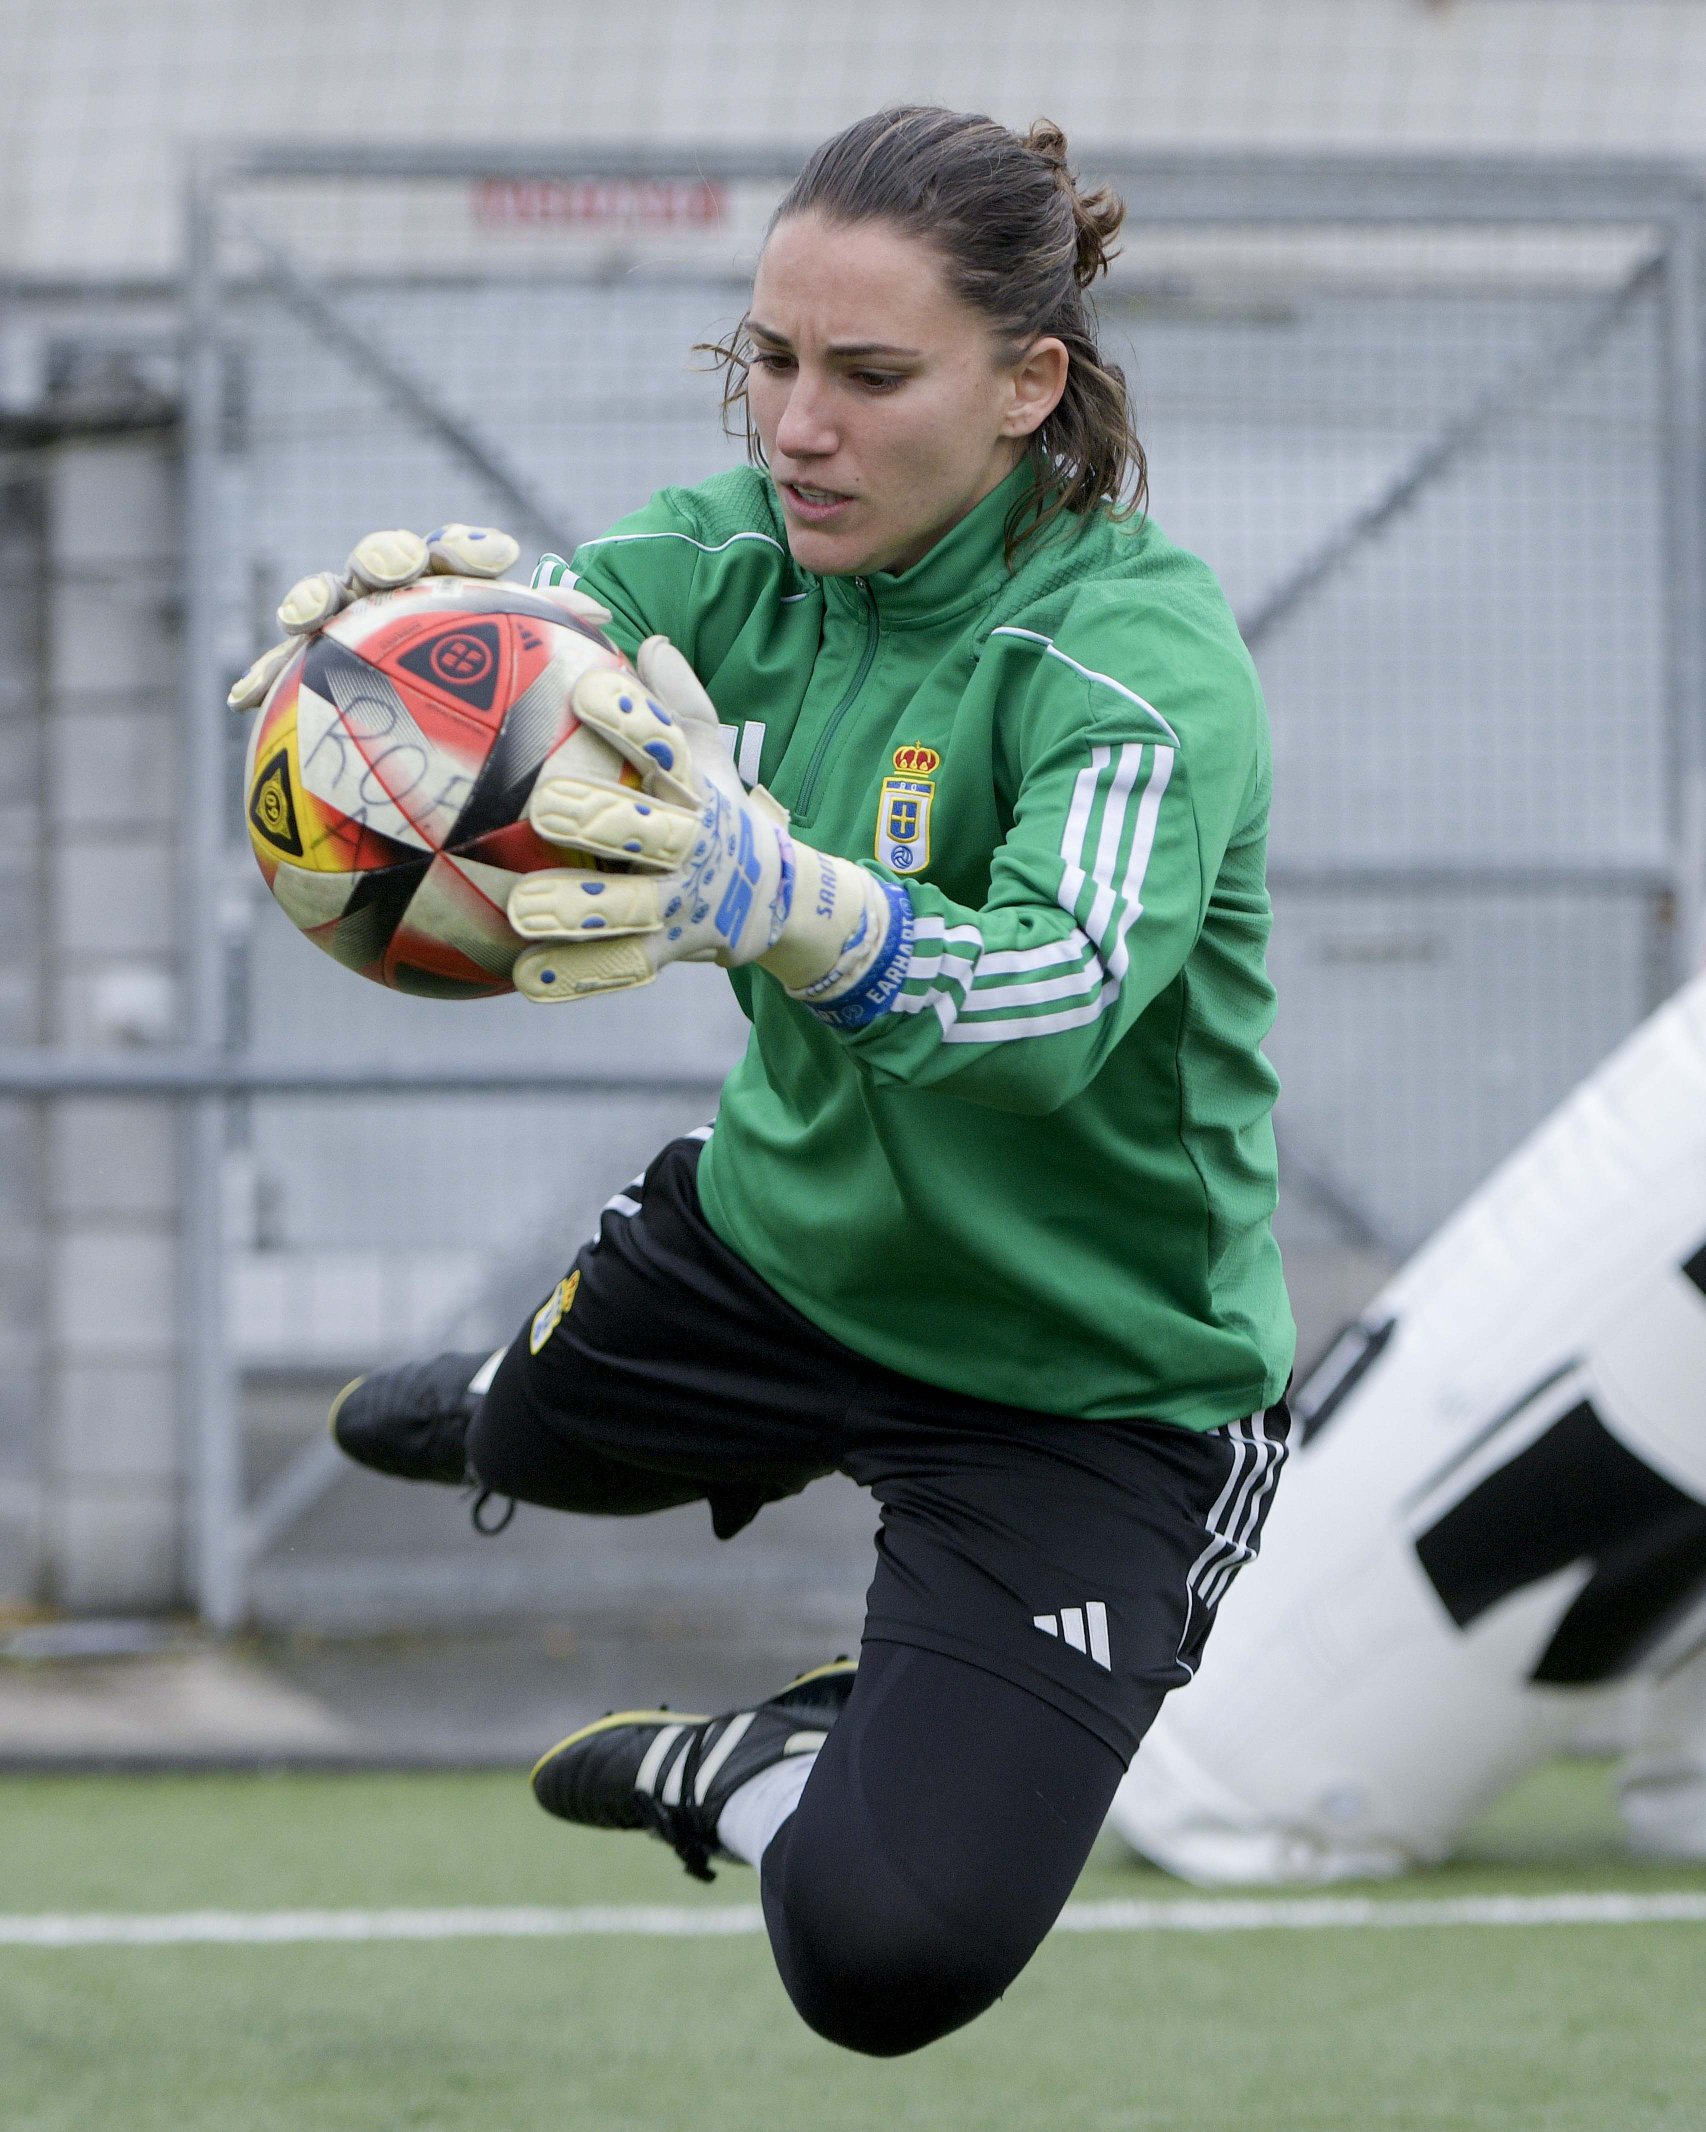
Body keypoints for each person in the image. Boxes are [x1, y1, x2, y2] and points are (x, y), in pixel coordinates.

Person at [231, 106, 1296, 2057]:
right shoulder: (720, 556)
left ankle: (750, 1756)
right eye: (769, 363)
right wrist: (384, 668)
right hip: (773, 1250)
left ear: (1023, 383)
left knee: (883, 1967)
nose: (797, 427)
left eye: (869, 377)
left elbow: (1052, 1006)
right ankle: (511, 1407)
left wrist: (782, 897)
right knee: (538, 1441)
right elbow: (520, 673)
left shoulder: (1137, 657)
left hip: (1085, 1385)